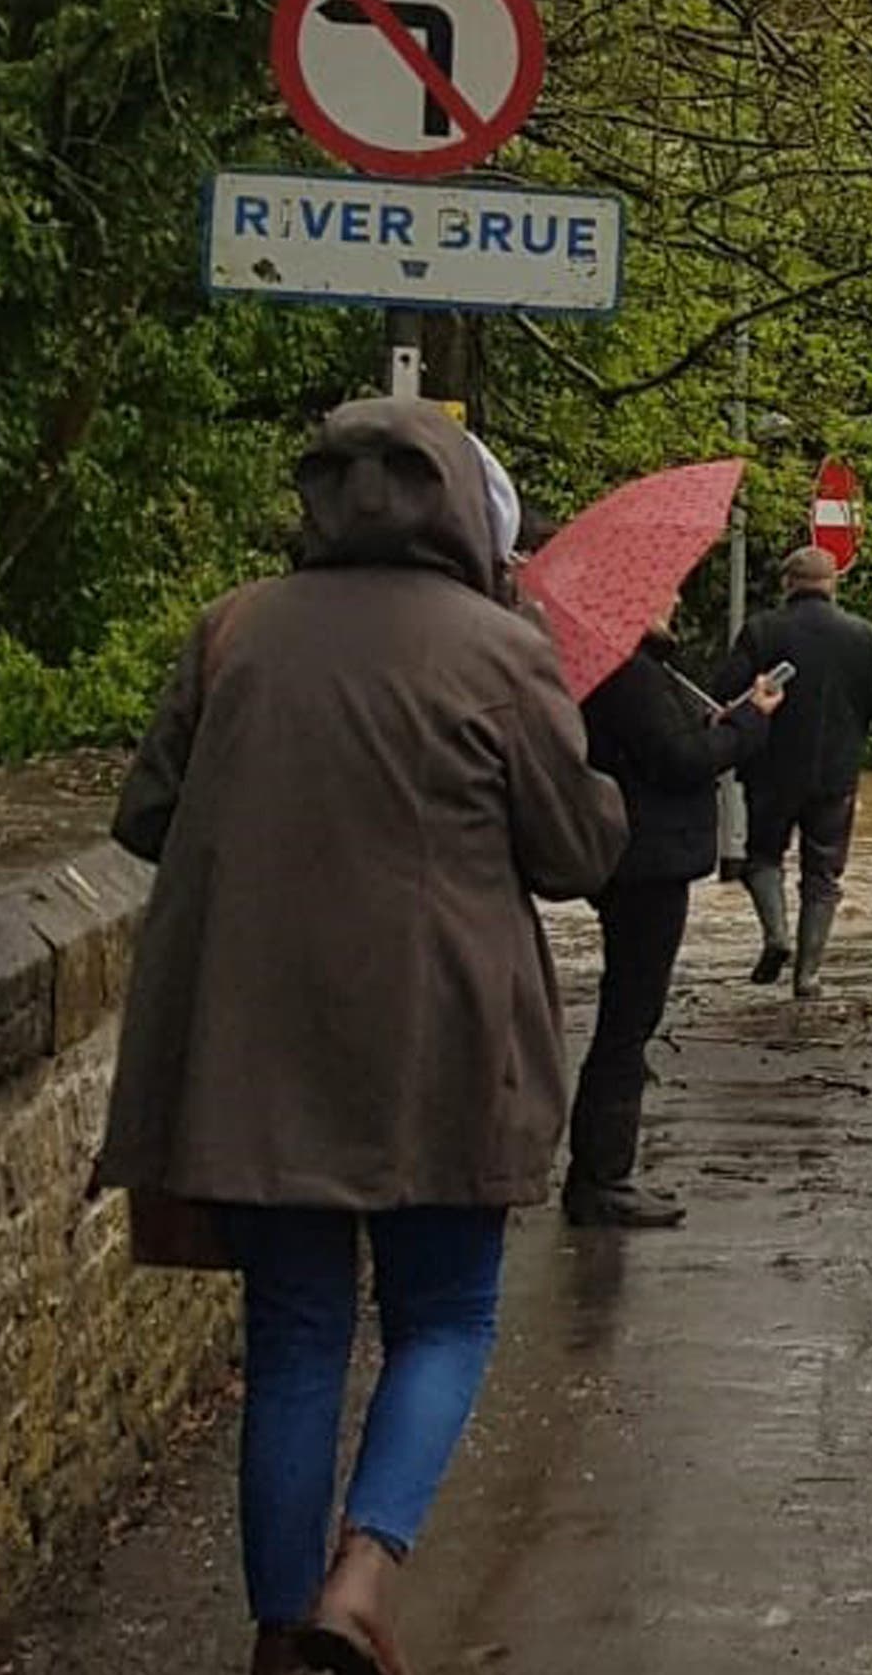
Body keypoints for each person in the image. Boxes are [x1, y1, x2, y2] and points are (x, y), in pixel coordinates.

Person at [94, 400, 628, 1675]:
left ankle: (281, 1632)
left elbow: (148, 815)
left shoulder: (235, 631)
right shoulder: (502, 651)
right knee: (444, 1317)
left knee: (296, 1331)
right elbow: (576, 854)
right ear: (456, 505)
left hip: (254, 1046)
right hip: (445, 1044)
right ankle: (362, 1574)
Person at [567, 618, 783, 1227]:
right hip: (647, 860)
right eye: (666, 588)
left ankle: (602, 1171)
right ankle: (601, 1177)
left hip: (632, 855)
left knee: (631, 1012)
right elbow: (681, 761)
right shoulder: (630, 673)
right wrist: (750, 721)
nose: (676, 596)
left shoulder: (630, 669)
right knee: (631, 1015)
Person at [720, 543, 872, 999]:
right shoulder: (864, 634)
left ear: (787, 584)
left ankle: (776, 936)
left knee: (762, 857)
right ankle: (808, 975)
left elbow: (726, 690)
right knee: (823, 876)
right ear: (833, 585)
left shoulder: (762, 630)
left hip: (769, 769)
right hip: (835, 774)